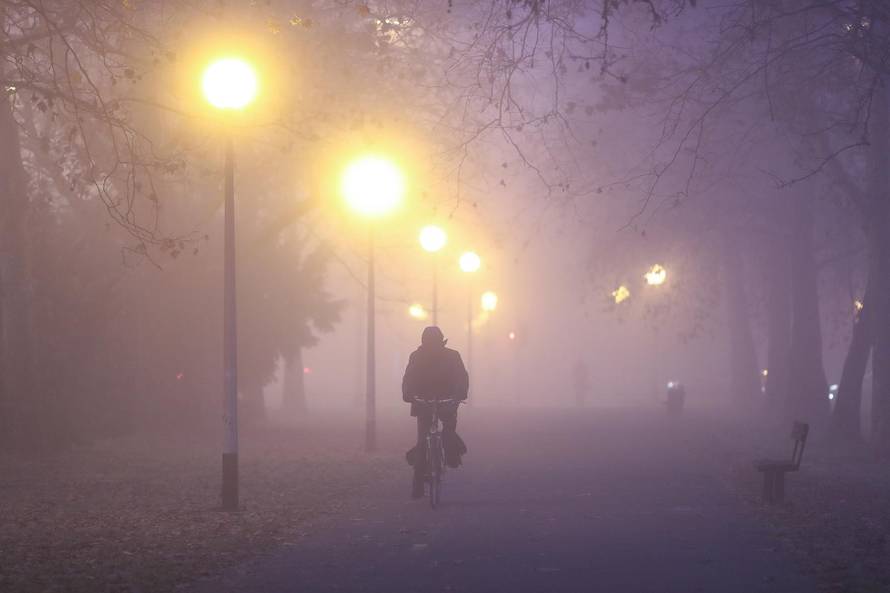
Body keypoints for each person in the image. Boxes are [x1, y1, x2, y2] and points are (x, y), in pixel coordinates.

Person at [402, 326, 469, 499]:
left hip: (446, 399)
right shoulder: (417, 357)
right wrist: (409, 395)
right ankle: (417, 486)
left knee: (446, 431)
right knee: (423, 441)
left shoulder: (452, 357)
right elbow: (409, 378)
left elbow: (461, 378)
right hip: (424, 401)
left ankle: (451, 453)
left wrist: (458, 395)